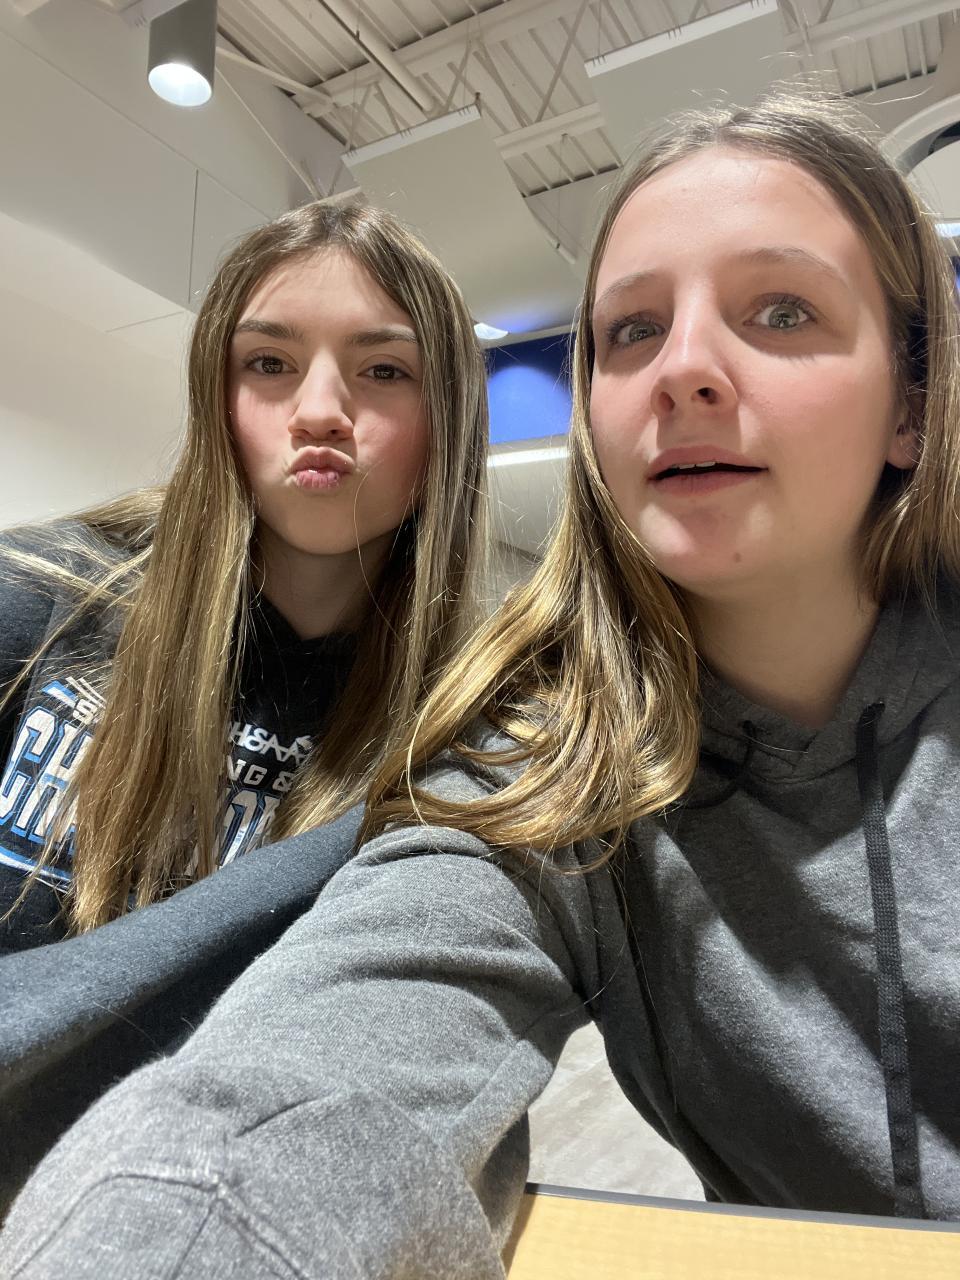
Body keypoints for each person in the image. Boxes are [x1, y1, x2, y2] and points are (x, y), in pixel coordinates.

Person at [3, 85, 959, 1278]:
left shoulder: (457, 714)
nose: (685, 369)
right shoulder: (548, 763)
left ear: (914, 400)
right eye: (631, 330)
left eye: (782, 309)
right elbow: (325, 1080)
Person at [0, 200, 488, 953]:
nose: (319, 412)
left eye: (384, 370)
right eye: (269, 364)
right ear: (215, 399)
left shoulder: (465, 727)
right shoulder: (37, 592)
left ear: (448, 426)